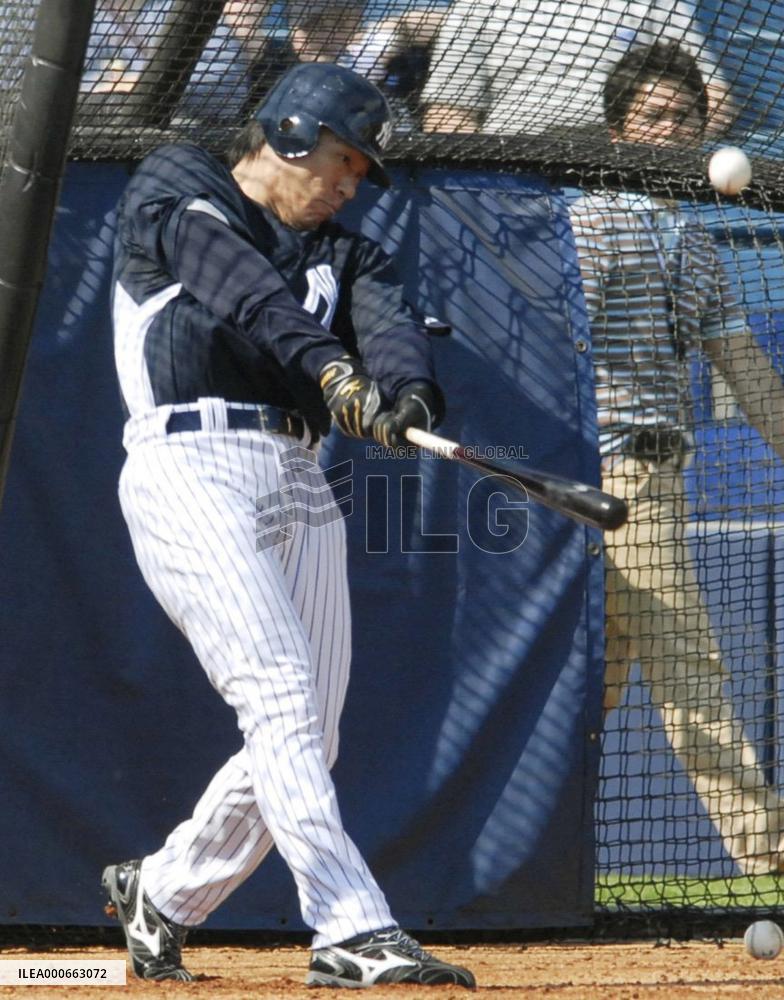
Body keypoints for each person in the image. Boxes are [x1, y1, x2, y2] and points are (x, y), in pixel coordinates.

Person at [101, 61, 475, 990]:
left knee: (309, 726)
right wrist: (329, 370)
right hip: (190, 461)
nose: (352, 184)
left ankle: (164, 890)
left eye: (360, 172)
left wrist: (400, 396)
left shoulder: (351, 256)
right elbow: (242, 293)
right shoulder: (179, 181)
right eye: (345, 161)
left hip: (298, 477)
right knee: (275, 695)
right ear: (295, 133)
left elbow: (390, 335)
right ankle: (351, 927)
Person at [569, 40, 784, 874]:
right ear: (618, 131)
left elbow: (751, 376)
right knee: (688, 657)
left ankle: (525, 851)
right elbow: (562, 351)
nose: (670, 130)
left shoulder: (696, 245)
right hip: (597, 478)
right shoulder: (589, 220)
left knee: (598, 682)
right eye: (652, 117)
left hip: (663, 478)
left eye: (683, 118)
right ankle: (770, 848)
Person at [420, 0, 734, 137]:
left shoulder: (652, 1)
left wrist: (667, 141)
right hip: (516, 173)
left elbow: (714, 96)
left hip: (627, 173)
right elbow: (448, 113)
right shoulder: (478, 4)